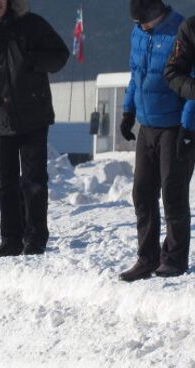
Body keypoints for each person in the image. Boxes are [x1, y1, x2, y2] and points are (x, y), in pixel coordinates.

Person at [0, 0, 69, 257]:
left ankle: (36, 237)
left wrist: (30, 59)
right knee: (5, 183)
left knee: (34, 181)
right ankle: (11, 238)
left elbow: (59, 56)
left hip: (33, 114)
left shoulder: (32, 25)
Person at [116, 0, 192, 281]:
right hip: (147, 125)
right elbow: (135, 74)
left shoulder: (180, 31)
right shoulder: (139, 32)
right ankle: (146, 258)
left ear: (158, 12)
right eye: (137, 23)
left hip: (175, 126)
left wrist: (188, 126)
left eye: (145, 21)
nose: (142, 26)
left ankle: (174, 258)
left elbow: (192, 81)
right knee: (142, 193)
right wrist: (128, 110)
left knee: (173, 193)